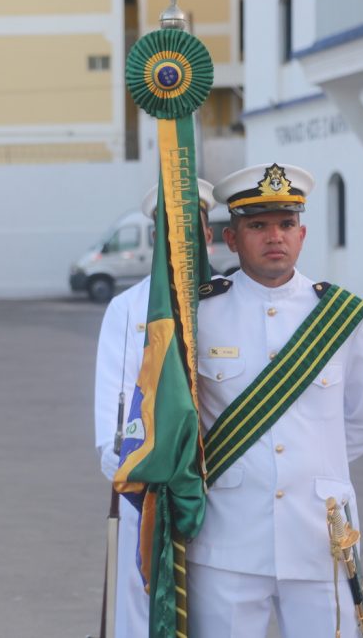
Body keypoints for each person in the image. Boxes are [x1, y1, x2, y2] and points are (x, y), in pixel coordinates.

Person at [187, 163, 363, 637]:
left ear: (302, 234)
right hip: (228, 538)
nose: (274, 236)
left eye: (285, 224)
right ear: (232, 239)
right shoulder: (200, 315)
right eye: (257, 225)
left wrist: (310, 466)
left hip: (320, 535)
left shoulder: (343, 317)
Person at [94, 179, 215, 636]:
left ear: (206, 234)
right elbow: (111, 412)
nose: (182, 239)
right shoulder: (127, 309)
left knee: (220, 607)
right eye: (170, 229)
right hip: (149, 487)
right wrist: (139, 469)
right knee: (142, 609)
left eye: (192, 228)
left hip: (223, 484)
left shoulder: (229, 299)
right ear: (154, 237)